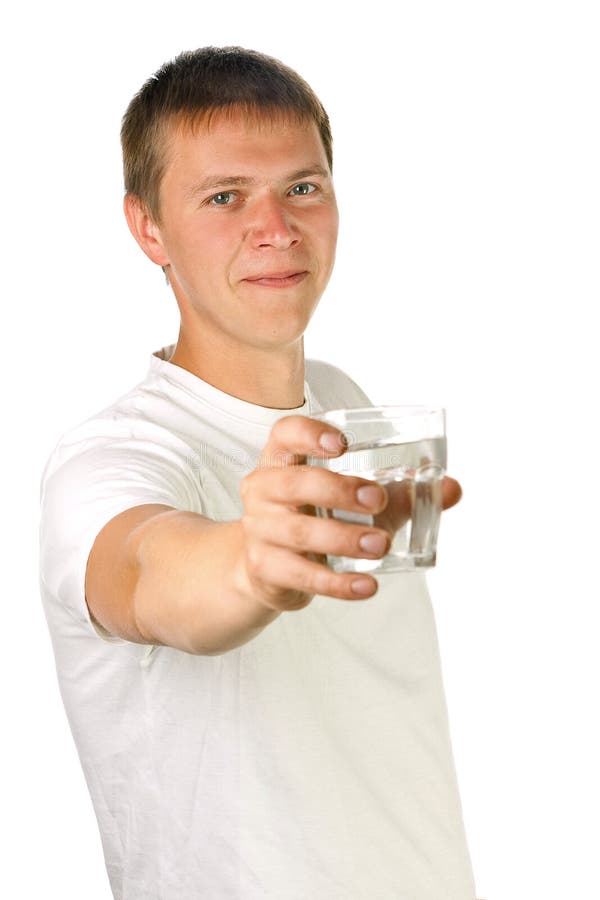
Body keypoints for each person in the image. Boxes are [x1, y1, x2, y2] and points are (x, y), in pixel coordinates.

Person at [39, 46, 477, 899]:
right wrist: (251, 564)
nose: (275, 229)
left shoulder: (344, 406)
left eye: (302, 188)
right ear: (148, 229)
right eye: (224, 197)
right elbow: (147, 569)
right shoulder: (111, 460)